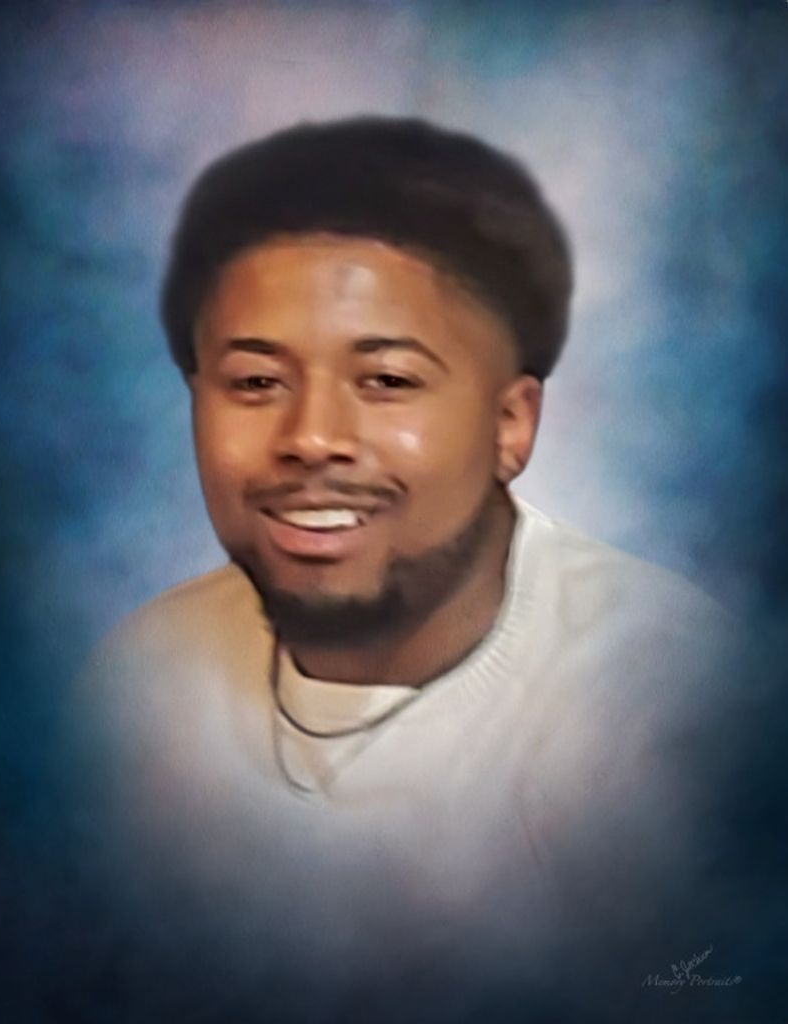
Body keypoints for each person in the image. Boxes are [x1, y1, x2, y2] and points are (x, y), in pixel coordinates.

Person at [72, 117, 756, 1023]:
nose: (311, 437)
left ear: (510, 425)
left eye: (387, 381)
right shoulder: (140, 682)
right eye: (255, 382)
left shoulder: (668, 706)